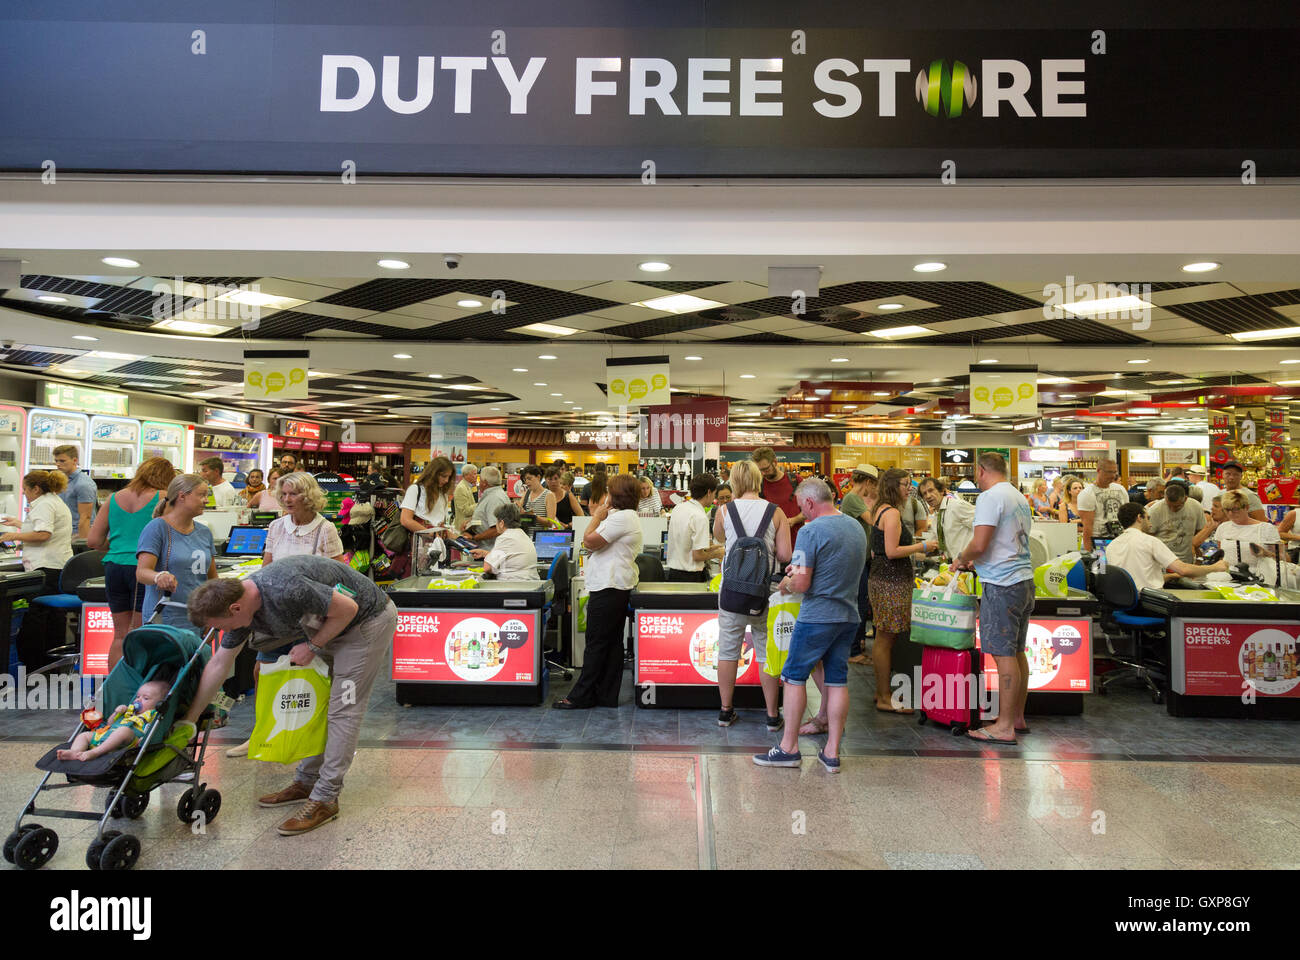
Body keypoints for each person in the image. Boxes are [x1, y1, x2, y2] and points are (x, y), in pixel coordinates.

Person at [184, 555, 398, 836]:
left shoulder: (285, 588)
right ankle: (307, 782)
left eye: (222, 626)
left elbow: (348, 607)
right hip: (331, 625)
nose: (224, 632)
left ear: (235, 608)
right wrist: (190, 719)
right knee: (319, 703)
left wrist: (313, 645)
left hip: (366, 623)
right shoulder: (241, 610)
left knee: (343, 708)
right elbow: (219, 664)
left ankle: (325, 798)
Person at [226, 471, 346, 759]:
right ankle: (261, 732)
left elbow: (338, 575)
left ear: (308, 496)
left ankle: (310, 737)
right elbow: (266, 568)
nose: (288, 499)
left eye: (294, 494)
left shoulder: (324, 529)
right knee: (262, 671)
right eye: (284, 494)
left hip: (309, 617)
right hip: (275, 614)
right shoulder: (277, 527)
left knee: (312, 675)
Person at [753, 479, 866, 774]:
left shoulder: (810, 531)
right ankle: (831, 753)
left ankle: (788, 748)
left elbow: (802, 583)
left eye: (803, 507)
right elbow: (834, 566)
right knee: (837, 679)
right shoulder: (855, 527)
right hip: (848, 615)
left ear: (811, 503)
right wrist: (802, 569)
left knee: (793, 676)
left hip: (817, 616)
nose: (803, 513)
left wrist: (788, 581)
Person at [953, 453, 1034, 745]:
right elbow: (1002, 542)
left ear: (981, 470)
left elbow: (980, 542)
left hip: (1001, 585)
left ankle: (1003, 726)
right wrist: (980, 560)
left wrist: (961, 559)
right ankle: (1016, 717)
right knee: (1016, 651)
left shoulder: (989, 497)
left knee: (1002, 654)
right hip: (1023, 580)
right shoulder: (1018, 496)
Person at [713, 461, 792, 728]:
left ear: (734, 481)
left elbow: (719, 539)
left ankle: (725, 711)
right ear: (759, 480)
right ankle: (772, 715)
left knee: (728, 650)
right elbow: (785, 555)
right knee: (765, 652)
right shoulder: (776, 512)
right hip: (765, 594)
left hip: (731, 593)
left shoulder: (724, 510)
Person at [554, 474, 642, 709]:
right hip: (613, 585)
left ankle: (580, 696)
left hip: (609, 586)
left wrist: (596, 517)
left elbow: (589, 541)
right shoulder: (624, 517)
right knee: (611, 643)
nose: (606, 496)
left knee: (596, 643)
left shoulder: (621, 518)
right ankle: (605, 694)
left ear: (618, 495)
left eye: (610, 492)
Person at [86, 456, 177, 665]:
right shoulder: (163, 497)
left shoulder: (114, 498)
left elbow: (93, 540)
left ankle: (114, 688)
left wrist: (120, 548)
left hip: (114, 567)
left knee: (119, 635)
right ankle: (136, 687)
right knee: (137, 632)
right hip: (144, 569)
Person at [867, 468, 939, 715]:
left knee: (883, 637)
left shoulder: (880, 510)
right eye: (905, 484)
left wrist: (921, 551)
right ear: (892, 486)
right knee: (886, 638)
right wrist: (924, 545)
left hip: (882, 578)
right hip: (891, 582)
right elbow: (892, 551)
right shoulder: (893, 513)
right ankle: (885, 697)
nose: (909, 488)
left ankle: (881, 691)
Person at [4, 470, 75, 669]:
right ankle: (52, 664)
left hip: (46, 567)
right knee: (53, 617)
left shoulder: (43, 504)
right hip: (57, 566)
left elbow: (43, 533)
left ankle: (34, 666)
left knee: (36, 619)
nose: (25, 494)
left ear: (36, 488)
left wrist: (13, 536)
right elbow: (42, 528)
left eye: (26, 490)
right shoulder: (53, 501)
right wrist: (19, 524)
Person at [136, 474, 217, 632]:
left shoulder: (205, 532)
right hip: (164, 618)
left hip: (198, 618)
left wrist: (214, 614)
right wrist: (159, 577)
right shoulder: (157, 528)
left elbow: (211, 579)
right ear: (182, 496)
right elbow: (141, 572)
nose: (206, 500)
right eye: (201, 495)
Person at [1105, 501, 1227, 591]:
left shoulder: (1111, 546)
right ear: (1139, 518)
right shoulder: (1150, 541)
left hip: (1124, 604)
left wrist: (1171, 576)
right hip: (1149, 604)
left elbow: (1137, 578)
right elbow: (1184, 569)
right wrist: (1215, 567)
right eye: (1147, 518)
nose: (1150, 523)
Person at [56, 677, 170, 762]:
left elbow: (153, 731)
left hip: (129, 741)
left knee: (123, 731)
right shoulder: (128, 711)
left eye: (145, 698)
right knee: (84, 735)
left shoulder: (154, 715)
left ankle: (95, 752)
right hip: (106, 735)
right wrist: (117, 712)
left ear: (159, 703)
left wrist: (144, 740)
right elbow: (110, 723)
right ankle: (75, 752)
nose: (138, 700)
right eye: (138, 696)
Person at [840, 466, 878, 665]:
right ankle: (853, 651)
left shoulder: (853, 499)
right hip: (855, 561)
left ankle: (857, 644)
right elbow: (872, 520)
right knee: (859, 605)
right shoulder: (853, 498)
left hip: (860, 560)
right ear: (869, 482)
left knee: (860, 603)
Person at [1216, 489, 1285, 583]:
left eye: (1235, 509)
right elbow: (1221, 557)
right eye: (1227, 510)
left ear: (1247, 507)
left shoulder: (1265, 528)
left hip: (1259, 580)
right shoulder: (1223, 528)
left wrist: (1266, 553)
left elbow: (1284, 559)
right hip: (1227, 579)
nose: (1231, 513)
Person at [665, 474, 725, 582]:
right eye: (714, 494)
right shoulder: (700, 517)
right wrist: (717, 553)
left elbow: (685, 544)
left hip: (673, 574)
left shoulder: (679, 508)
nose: (714, 498)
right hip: (690, 578)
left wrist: (708, 548)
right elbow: (697, 556)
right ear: (708, 492)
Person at [472, 503, 540, 580]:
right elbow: (510, 557)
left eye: (496, 521)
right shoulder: (521, 534)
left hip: (515, 586)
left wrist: (489, 560)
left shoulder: (506, 537)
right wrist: (484, 553)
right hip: (528, 584)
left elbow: (487, 567)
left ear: (501, 523)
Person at [1144, 481, 1206, 563]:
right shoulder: (1155, 510)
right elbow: (1148, 537)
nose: (1173, 509)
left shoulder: (1195, 506)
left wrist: (1196, 549)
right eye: (1169, 505)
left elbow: (1201, 531)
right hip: (1163, 561)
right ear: (1165, 498)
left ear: (1186, 499)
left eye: (1177, 506)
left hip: (1187, 559)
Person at [752, 446, 803, 542]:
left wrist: (794, 520)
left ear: (775, 462)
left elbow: (810, 509)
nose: (763, 473)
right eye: (760, 470)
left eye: (766, 469)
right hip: (768, 545)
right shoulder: (758, 486)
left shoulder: (796, 480)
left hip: (796, 543)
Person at [919, 475, 975, 562]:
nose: (928, 496)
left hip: (969, 564)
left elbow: (984, 529)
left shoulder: (956, 506)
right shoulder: (937, 516)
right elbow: (934, 543)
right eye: (924, 494)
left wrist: (977, 557)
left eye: (931, 490)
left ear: (941, 491)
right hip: (953, 566)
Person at [1078, 459, 1129, 552]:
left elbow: (1127, 517)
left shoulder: (1121, 489)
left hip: (1119, 541)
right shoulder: (1087, 494)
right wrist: (1088, 553)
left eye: (1115, 472)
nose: (1113, 476)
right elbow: (1087, 527)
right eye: (1109, 472)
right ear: (1099, 471)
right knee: (1101, 566)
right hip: (1098, 543)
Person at [52, 444, 97, 539]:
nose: (58, 464)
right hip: (64, 532)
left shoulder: (83, 484)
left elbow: (85, 518)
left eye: (62, 461)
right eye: (56, 461)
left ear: (75, 460)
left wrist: (83, 546)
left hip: (77, 535)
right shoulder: (63, 480)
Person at [401, 455, 454, 533]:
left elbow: (440, 522)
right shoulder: (415, 489)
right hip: (418, 541)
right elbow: (405, 520)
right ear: (433, 473)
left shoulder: (443, 495)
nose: (446, 480)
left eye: (449, 477)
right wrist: (430, 533)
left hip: (436, 541)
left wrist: (457, 537)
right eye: (444, 476)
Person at [466, 466, 511, 548]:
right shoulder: (492, 495)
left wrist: (474, 538)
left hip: (490, 550)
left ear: (484, 482)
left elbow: (496, 529)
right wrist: (470, 523)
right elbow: (486, 518)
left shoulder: (495, 499)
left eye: (481, 480)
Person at [453, 463, 479, 533]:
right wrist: (479, 504)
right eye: (474, 474)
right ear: (466, 475)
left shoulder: (469, 486)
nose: (476, 476)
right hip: (463, 528)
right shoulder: (461, 488)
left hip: (469, 526)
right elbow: (466, 511)